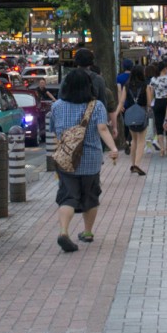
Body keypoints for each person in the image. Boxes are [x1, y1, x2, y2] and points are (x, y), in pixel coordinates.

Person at [49, 65, 119, 251]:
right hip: (90, 159)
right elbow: (102, 129)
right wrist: (113, 148)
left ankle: (64, 232)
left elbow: (55, 133)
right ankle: (87, 232)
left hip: (66, 159)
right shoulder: (96, 106)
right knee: (90, 196)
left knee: (68, 196)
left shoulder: (56, 106)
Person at [121, 64, 149, 175]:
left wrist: (118, 110)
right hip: (141, 113)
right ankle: (137, 164)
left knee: (134, 140)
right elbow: (149, 102)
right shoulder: (146, 85)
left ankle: (132, 164)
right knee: (142, 140)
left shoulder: (126, 86)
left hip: (131, 114)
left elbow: (122, 101)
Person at [149, 59, 167, 157]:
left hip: (157, 102)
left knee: (159, 126)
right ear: (165, 68)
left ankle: (161, 148)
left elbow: (151, 92)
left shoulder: (153, 79)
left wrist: (151, 103)